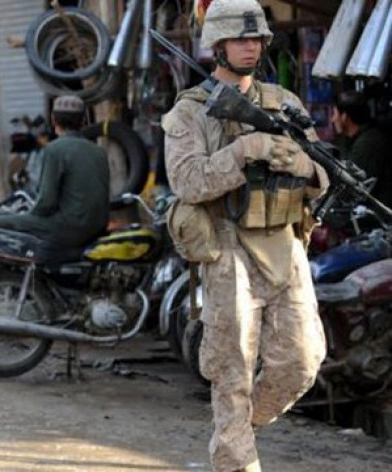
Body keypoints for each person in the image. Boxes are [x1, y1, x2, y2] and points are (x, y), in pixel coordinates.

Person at [162, 1, 329, 471]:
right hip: (228, 248)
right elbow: (188, 182)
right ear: (217, 45)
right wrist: (242, 152)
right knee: (231, 371)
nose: (251, 47)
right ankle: (236, 452)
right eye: (240, 39)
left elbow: (324, 173)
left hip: (285, 247)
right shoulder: (191, 110)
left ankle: (237, 430)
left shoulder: (285, 102)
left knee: (302, 360)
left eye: (256, 39)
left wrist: (306, 167)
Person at [0, 95, 110, 249]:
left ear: (53, 120)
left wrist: (27, 218)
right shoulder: (99, 152)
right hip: (98, 228)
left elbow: (46, 203)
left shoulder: (54, 149)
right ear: (83, 121)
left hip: (70, 230)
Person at [331, 90, 392, 208]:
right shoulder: (362, 138)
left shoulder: (368, 144)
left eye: (335, 114)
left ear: (344, 117)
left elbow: (350, 185)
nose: (332, 120)